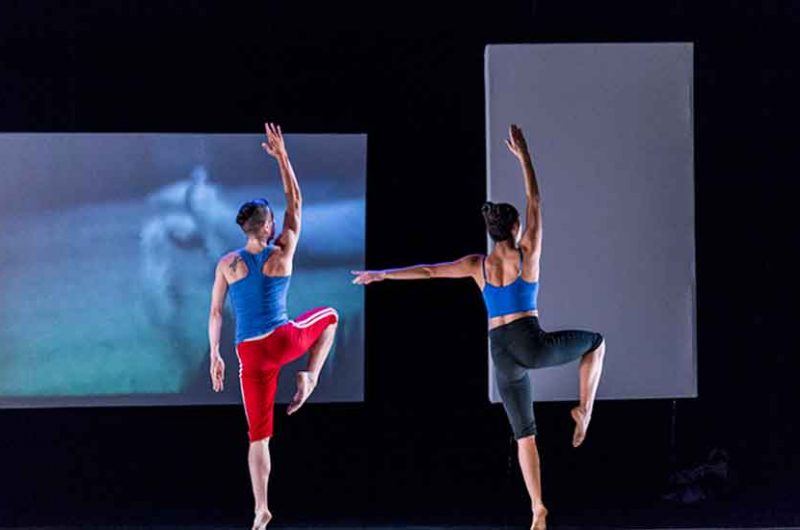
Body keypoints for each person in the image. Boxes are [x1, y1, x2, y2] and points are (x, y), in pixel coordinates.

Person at [352, 125, 605, 530]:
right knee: (595, 343)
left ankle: (538, 506)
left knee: (526, 434)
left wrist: (381, 274)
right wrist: (524, 157)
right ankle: (585, 410)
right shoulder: (528, 253)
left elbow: (430, 271)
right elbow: (536, 200)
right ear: (515, 228)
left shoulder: (478, 265)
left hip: (499, 351)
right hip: (529, 341)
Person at [208, 123, 339, 530]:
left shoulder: (227, 265)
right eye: (272, 224)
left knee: (258, 435)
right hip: (283, 342)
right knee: (331, 316)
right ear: (267, 228)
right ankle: (310, 377)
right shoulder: (281, 252)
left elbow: (215, 313)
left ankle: (260, 508)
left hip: (248, 354)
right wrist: (283, 156)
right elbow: (295, 201)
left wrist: (215, 354)